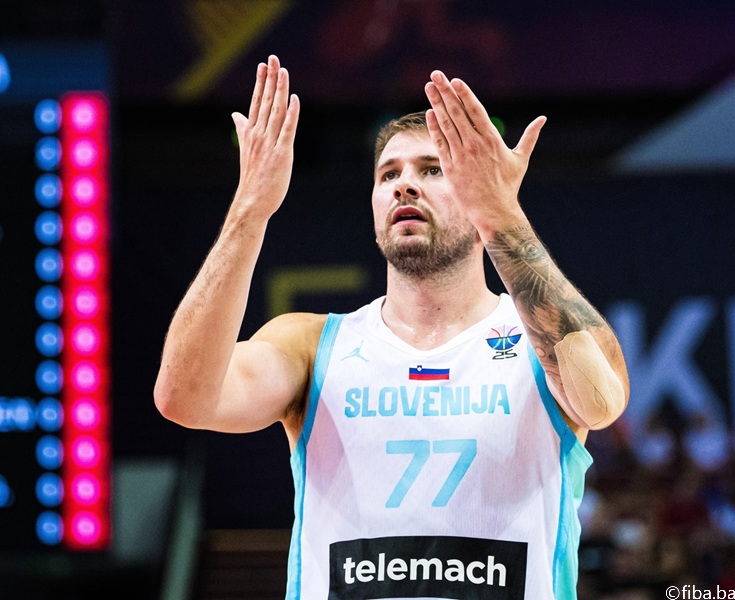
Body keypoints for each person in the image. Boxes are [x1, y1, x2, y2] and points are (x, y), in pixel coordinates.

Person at [154, 55, 630, 599]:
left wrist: (502, 216)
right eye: (389, 174)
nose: (405, 185)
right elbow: (184, 399)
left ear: (479, 187)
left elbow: (600, 404)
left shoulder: (537, 343)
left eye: (432, 170)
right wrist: (250, 210)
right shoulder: (311, 345)